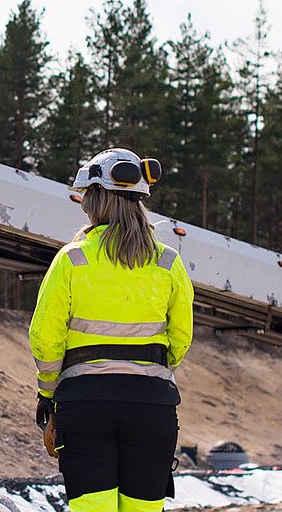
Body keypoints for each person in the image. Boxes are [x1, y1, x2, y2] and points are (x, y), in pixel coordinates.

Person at [30, 147, 194, 512]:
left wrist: (48, 395)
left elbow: (45, 337)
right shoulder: (168, 262)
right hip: (152, 406)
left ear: (97, 200)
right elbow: (181, 338)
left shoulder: (74, 258)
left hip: (85, 404)